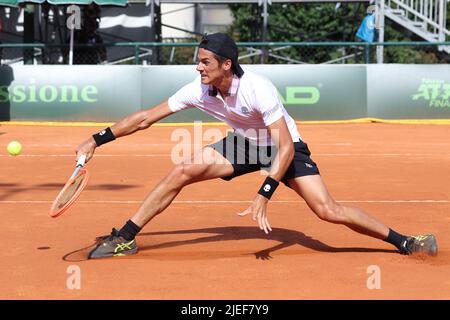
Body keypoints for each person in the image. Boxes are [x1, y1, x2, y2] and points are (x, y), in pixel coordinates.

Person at [75, 33, 438, 259]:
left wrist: (265, 193)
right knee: (182, 169)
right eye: (197, 61)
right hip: (246, 145)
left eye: (204, 62)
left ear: (226, 64)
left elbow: (282, 147)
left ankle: (406, 241)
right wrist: (96, 139)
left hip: (285, 147)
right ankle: (126, 237)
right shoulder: (198, 90)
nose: (198, 68)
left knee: (328, 210)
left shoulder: (257, 88)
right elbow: (145, 118)